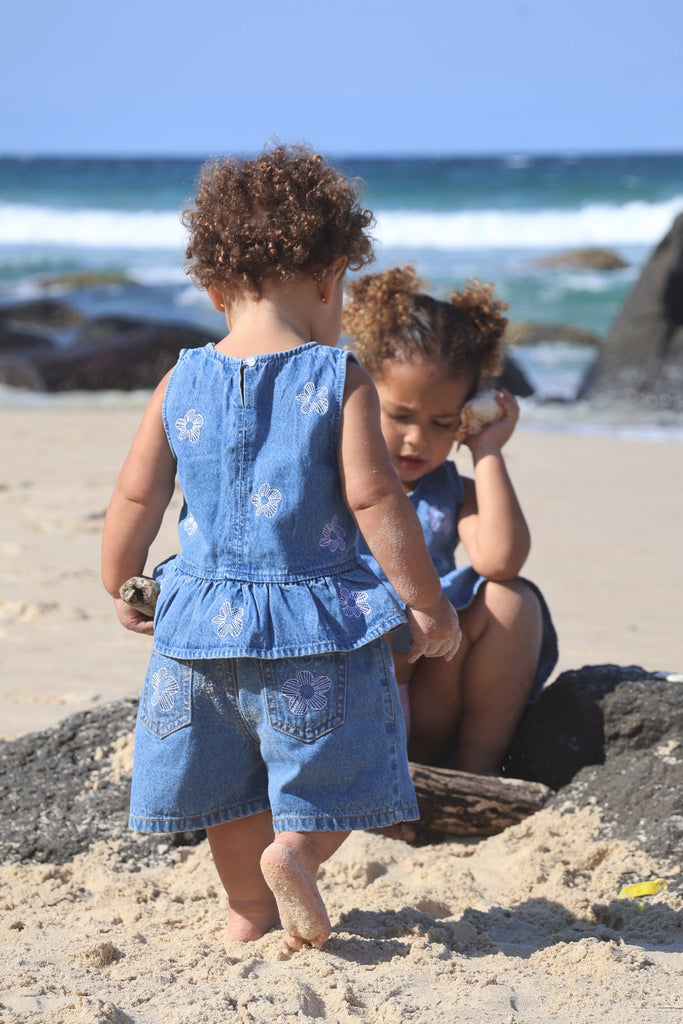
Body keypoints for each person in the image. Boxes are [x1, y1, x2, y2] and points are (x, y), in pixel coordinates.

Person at [101, 147, 460, 951]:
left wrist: (121, 582)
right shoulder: (337, 377)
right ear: (334, 277)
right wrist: (426, 601)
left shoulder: (180, 377)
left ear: (212, 286)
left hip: (195, 628)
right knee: (341, 770)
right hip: (313, 626)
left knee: (227, 788)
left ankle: (247, 916)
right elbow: (374, 500)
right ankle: (295, 853)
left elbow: (136, 494)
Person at [343, 265, 558, 776]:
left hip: (429, 692)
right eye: (400, 416)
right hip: (343, 705)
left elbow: (500, 560)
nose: (417, 439)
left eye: (442, 423)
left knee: (513, 600)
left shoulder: (450, 493)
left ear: (464, 416)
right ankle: (372, 785)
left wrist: (486, 451)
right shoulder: (330, 479)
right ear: (360, 393)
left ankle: (475, 773)